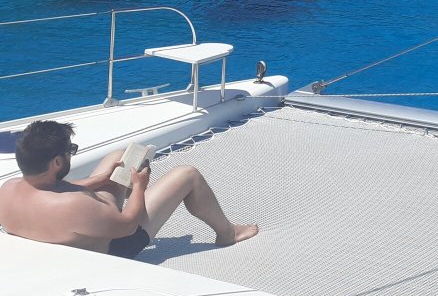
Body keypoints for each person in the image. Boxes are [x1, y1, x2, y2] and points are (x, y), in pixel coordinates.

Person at [0, 120, 257, 259]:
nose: (71, 154)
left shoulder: (8, 189)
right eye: (70, 151)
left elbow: (52, 191)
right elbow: (129, 225)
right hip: (114, 245)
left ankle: (115, 176)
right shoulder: (75, 206)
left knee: (120, 156)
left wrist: (99, 179)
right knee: (187, 175)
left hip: (79, 228)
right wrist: (139, 187)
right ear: (56, 162)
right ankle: (228, 233)